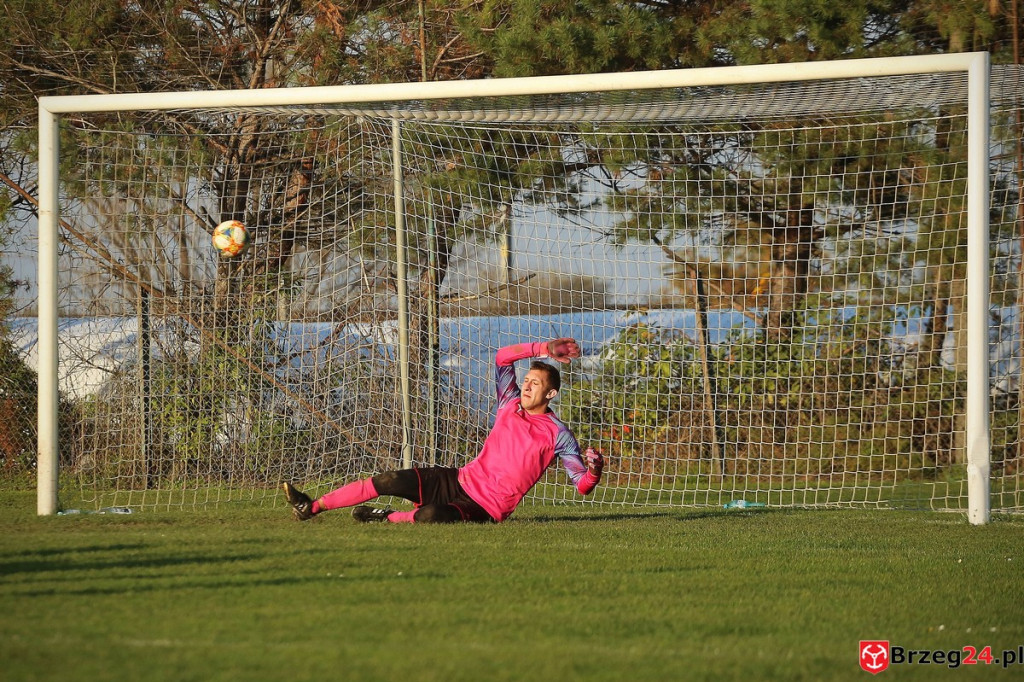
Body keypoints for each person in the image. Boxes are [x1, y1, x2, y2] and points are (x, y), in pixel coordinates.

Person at [283, 337, 604, 524]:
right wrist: (544, 348)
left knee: (429, 517)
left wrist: (594, 470)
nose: (527, 385)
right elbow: (502, 357)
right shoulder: (509, 403)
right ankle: (311, 507)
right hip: (459, 479)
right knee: (389, 479)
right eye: (528, 380)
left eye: (536, 384)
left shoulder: (558, 433)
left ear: (551, 394)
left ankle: (387, 517)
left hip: (485, 507)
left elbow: (582, 485)